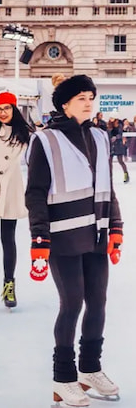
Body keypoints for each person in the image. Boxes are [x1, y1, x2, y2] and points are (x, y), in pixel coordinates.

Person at [27, 74, 124, 406]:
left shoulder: (100, 136)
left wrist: (117, 228)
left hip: (96, 234)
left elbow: (108, 188)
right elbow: (35, 193)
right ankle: (64, 378)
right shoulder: (45, 140)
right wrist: (39, 237)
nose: (88, 101)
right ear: (65, 103)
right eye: (81, 97)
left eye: (91, 96)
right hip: (62, 236)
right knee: (72, 304)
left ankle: (90, 369)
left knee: (98, 302)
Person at [0, 92, 33, 309]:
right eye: (0, 109)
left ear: (14, 109)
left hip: (10, 192)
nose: (3, 113)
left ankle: (9, 284)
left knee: (8, 240)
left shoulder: (25, 135)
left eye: (6, 108)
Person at [107, 118, 129, 184]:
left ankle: (126, 174)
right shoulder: (108, 126)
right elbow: (107, 133)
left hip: (118, 145)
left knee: (120, 161)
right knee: (109, 163)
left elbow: (120, 134)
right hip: (111, 146)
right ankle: (110, 177)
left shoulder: (119, 126)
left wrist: (116, 137)